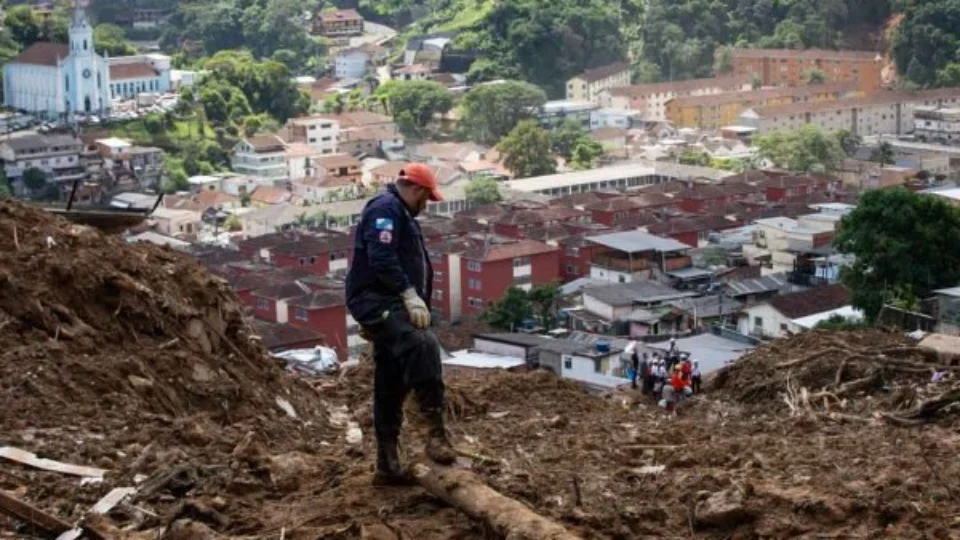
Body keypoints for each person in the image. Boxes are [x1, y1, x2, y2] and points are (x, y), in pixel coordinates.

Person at [346, 163, 457, 486]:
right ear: (419, 190)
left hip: (390, 302)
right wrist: (408, 294)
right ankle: (434, 431)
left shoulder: (399, 213)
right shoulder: (386, 209)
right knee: (422, 345)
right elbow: (381, 256)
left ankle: (387, 464)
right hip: (378, 300)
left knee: (391, 378)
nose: (426, 205)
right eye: (426, 199)